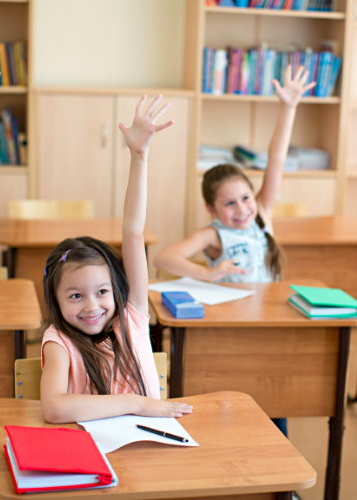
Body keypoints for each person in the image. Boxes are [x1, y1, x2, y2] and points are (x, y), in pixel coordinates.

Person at [154, 66, 315, 437]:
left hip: (274, 320)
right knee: (239, 394)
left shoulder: (262, 215)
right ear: (212, 209)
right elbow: (164, 258)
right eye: (229, 203)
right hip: (234, 325)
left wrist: (288, 108)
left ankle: (279, 475)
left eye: (245, 197)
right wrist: (209, 273)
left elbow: (275, 160)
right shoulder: (214, 234)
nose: (242, 208)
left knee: (277, 394)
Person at [40, 95, 193, 423]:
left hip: (151, 448)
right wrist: (134, 403)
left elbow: (133, 232)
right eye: (75, 295)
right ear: (54, 297)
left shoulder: (133, 317)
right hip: (93, 454)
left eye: (102, 292)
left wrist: (139, 156)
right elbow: (53, 408)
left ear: (117, 290)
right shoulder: (59, 341)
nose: (92, 306)